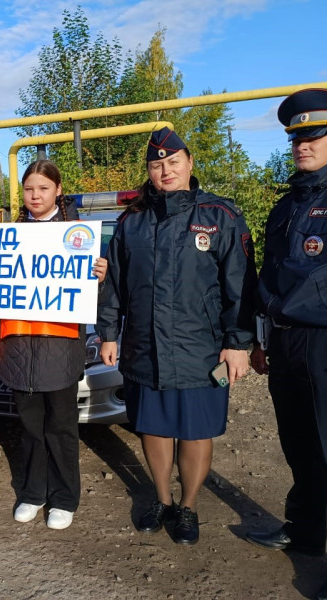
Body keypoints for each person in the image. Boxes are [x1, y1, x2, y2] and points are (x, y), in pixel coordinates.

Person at [97, 128, 256, 545]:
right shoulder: (131, 221)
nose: (164, 170)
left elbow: (241, 285)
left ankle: (188, 506)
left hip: (199, 347)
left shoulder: (221, 215)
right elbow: (114, 282)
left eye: (172, 162)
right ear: (148, 171)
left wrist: (238, 343)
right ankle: (161, 499)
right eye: (155, 165)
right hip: (144, 344)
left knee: (195, 430)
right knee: (153, 426)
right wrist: (109, 333)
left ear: (189, 162)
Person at [246, 88, 327, 600]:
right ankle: (303, 532)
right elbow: (270, 278)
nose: (303, 144)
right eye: (296, 135)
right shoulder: (287, 204)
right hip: (286, 344)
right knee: (299, 448)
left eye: (314, 135)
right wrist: (260, 338)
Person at [0, 160, 107, 530]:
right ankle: (32, 492)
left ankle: (63, 497)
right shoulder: (7, 237)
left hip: (59, 348)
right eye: (29, 188)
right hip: (19, 349)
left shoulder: (77, 236)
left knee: (60, 427)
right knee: (29, 427)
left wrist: (100, 278)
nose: (35, 195)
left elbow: (95, 297)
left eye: (43, 188)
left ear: (58, 190)